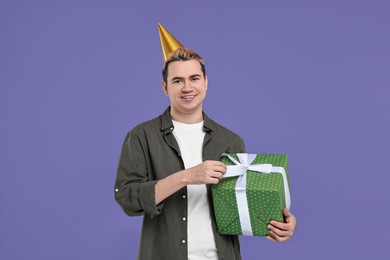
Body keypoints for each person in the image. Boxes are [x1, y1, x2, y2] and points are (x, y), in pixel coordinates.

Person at [114, 24, 297, 260]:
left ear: (206, 82)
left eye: (194, 78)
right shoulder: (142, 136)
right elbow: (127, 198)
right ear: (165, 87)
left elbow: (244, 205)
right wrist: (187, 176)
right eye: (178, 81)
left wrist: (282, 222)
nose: (187, 87)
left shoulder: (230, 141)